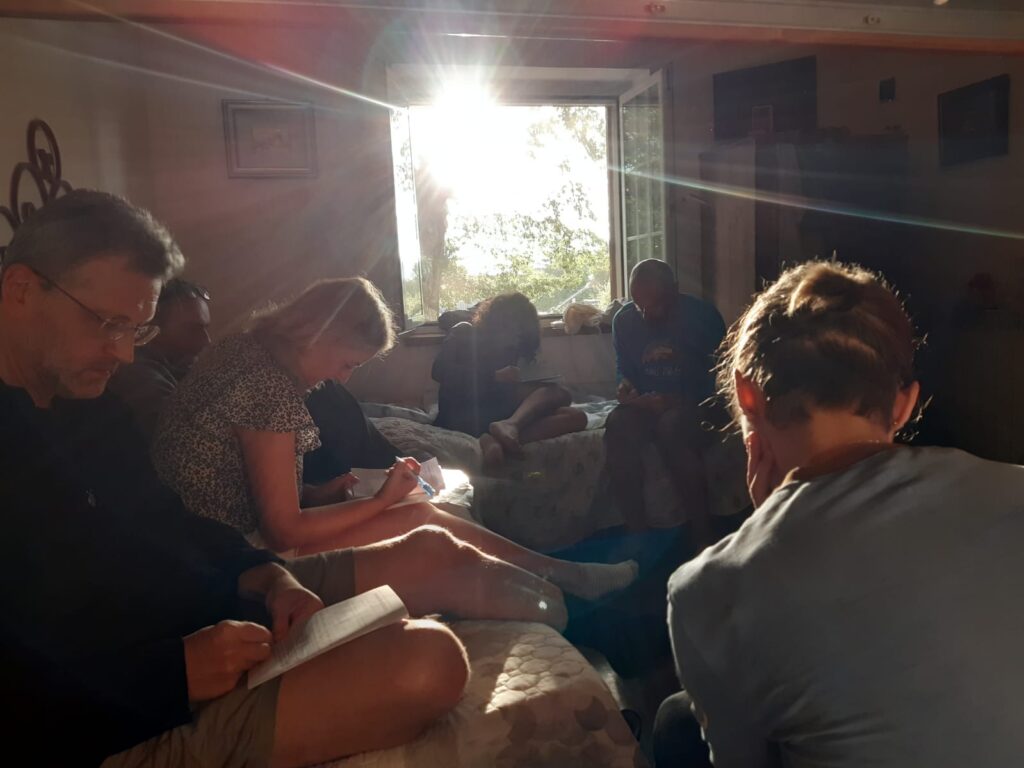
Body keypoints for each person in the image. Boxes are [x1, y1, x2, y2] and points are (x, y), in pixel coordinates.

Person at [0, 190, 577, 768]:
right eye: (108, 324)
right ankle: (580, 605)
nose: (124, 354)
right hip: (124, 702)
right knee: (431, 660)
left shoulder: (91, 408)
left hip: (197, 603)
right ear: (21, 289)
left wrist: (262, 574)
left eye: (136, 331)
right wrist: (172, 671)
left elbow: (168, 520)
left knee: (431, 546)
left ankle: (583, 604)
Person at [665, 260, 1024, 767]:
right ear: (903, 405)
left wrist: (766, 530)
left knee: (674, 723)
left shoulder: (706, 592)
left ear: (747, 395)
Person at [154, 279, 638, 601]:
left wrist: (319, 494)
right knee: (420, 516)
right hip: (234, 558)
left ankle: (552, 577)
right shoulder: (269, 388)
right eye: (347, 363)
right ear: (319, 334)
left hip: (209, 539)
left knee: (416, 508)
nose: (341, 378)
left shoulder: (244, 350)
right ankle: (561, 577)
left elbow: (248, 482)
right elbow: (283, 532)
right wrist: (380, 500)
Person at [605, 259, 726, 538]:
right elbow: (624, 368)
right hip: (648, 403)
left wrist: (678, 399)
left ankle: (702, 536)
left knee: (672, 426)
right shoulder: (624, 320)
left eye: (656, 305)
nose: (646, 314)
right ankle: (637, 533)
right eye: (639, 306)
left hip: (698, 402)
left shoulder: (703, 316)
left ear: (675, 290)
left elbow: (721, 377)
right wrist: (625, 386)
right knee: (617, 423)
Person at [432, 292, 587, 468]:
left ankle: (503, 431)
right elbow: (439, 371)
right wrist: (494, 376)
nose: (515, 339)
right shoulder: (464, 331)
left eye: (520, 334)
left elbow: (502, 390)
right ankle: (500, 433)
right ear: (497, 323)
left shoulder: (510, 348)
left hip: (496, 407)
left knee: (573, 413)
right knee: (554, 398)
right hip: (462, 411)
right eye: (512, 330)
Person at [107, 277, 211, 439]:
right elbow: (191, 440)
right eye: (192, 329)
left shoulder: (175, 370)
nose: (206, 340)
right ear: (152, 329)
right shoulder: (138, 376)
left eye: (205, 328)